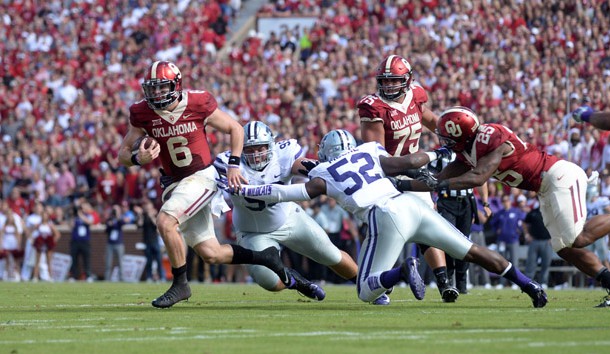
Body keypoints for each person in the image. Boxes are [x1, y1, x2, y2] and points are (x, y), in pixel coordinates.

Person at [222, 129, 547, 308]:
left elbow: (288, 194)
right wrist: (439, 153)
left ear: (325, 153)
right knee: (471, 250)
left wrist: (252, 190)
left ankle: (404, 271)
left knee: (366, 290)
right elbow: (408, 160)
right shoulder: (371, 151)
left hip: (385, 216)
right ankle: (529, 285)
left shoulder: (322, 172)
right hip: (412, 205)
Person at [117, 61, 309, 308]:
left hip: (201, 177)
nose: (156, 94)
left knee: (165, 221)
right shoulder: (142, 112)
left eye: (161, 88)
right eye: (151, 89)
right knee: (211, 253)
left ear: (175, 85)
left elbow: (235, 128)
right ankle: (266, 258)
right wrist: (137, 158)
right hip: (173, 184)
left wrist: (233, 165)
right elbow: (122, 154)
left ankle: (180, 285)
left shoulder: (198, 102)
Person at [402, 106, 610, 307]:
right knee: (563, 248)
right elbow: (438, 178)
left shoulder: (490, 137)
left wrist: (439, 184)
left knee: (578, 238)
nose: (444, 141)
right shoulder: (468, 150)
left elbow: (477, 177)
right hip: (544, 188)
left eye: (448, 137)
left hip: (559, 176)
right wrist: (401, 184)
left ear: (463, 133)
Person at [213, 121, 357, 301]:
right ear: (240, 149)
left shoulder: (282, 155)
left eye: (261, 148)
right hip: (252, 233)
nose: (256, 154)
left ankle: (366, 284)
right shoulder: (228, 164)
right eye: (250, 149)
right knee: (270, 282)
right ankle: (296, 280)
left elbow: (307, 169)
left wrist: (330, 168)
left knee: (330, 254)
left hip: (290, 219)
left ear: (271, 146)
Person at [358, 54, 456, 302]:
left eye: (395, 81)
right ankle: (383, 280)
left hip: (415, 170)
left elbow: (432, 120)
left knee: (429, 225)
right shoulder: (373, 107)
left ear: (408, 79)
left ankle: (444, 282)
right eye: (385, 81)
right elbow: (378, 154)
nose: (389, 85)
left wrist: (453, 136)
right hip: (386, 175)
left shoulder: (416, 96)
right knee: (387, 228)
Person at [428, 152, 491, 294]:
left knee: (464, 242)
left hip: (466, 203)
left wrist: (485, 202)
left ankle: (462, 284)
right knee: (449, 240)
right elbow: (429, 179)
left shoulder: (472, 153)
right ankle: (448, 281)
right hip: (446, 201)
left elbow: (481, 179)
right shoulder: (440, 156)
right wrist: (431, 200)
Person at [489, 194, 526, 289]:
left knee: (514, 262)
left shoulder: (516, 211)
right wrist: (496, 230)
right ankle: (502, 282)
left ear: (510, 201)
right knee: (501, 262)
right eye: (504, 201)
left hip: (513, 240)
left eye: (507, 200)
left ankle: (515, 283)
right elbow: (492, 224)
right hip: (502, 241)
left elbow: (523, 222)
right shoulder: (500, 213)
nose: (506, 202)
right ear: (502, 203)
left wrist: (519, 230)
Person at [523, 197, 553, 290]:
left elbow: (556, 225)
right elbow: (524, 223)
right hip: (534, 241)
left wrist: (553, 237)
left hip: (547, 241)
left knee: (546, 264)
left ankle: (544, 282)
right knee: (531, 263)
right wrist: (527, 235)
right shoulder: (533, 212)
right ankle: (528, 283)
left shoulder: (550, 212)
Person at [137, 200, 166, 282]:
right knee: (149, 261)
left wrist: (151, 217)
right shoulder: (143, 216)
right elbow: (139, 225)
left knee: (159, 261)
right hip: (147, 242)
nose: (147, 209)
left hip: (155, 242)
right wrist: (140, 215)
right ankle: (149, 277)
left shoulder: (156, 215)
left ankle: (162, 277)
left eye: (149, 207)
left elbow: (157, 228)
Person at [104, 204, 128, 282]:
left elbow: (123, 223)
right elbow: (106, 230)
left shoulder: (120, 218)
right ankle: (107, 279)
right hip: (110, 243)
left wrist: (117, 216)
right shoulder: (110, 219)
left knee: (120, 262)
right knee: (108, 262)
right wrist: (109, 224)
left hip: (119, 243)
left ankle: (121, 278)